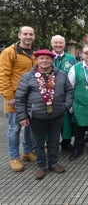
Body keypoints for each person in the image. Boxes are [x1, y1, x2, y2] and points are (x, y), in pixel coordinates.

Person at [15, 49, 73, 180]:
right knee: (38, 143)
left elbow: (69, 91)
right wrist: (23, 116)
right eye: (41, 58)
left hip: (57, 114)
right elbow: (20, 98)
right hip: (36, 116)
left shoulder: (61, 75)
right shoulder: (28, 76)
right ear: (37, 60)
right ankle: (41, 166)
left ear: (52, 60)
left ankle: (53, 163)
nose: (45, 61)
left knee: (54, 140)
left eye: (47, 58)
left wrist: (65, 106)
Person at [0, 26, 36, 172]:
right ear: (19, 35)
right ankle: (14, 157)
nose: (28, 36)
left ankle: (27, 152)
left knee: (29, 126)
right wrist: (9, 96)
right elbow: (3, 75)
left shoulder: (35, 52)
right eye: (25, 34)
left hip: (31, 96)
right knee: (15, 128)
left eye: (31, 34)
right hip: (15, 97)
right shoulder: (9, 52)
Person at [51, 35, 77, 151]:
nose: (58, 45)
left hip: (67, 95)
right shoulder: (47, 57)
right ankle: (51, 143)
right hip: (50, 96)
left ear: (64, 44)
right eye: (56, 42)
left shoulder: (71, 58)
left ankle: (66, 142)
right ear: (52, 44)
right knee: (50, 120)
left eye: (60, 43)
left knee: (67, 120)